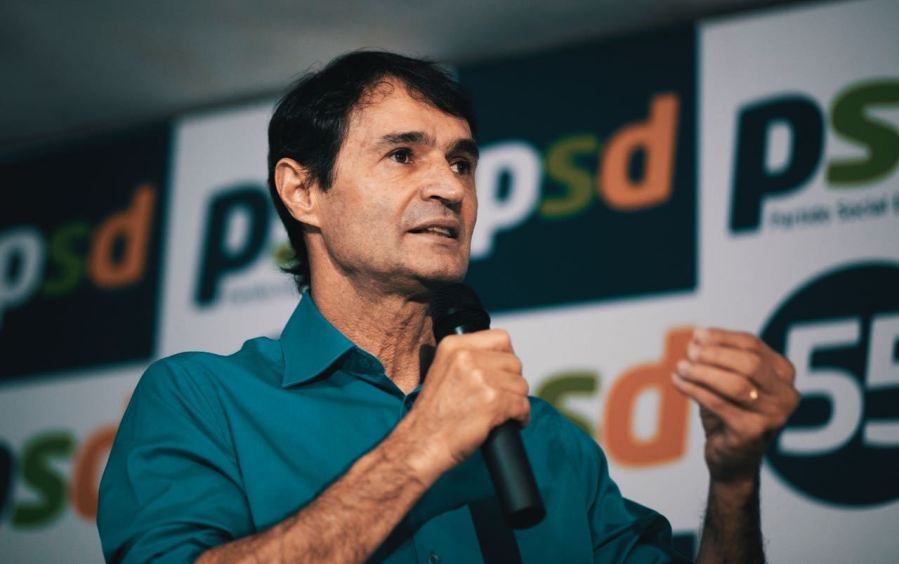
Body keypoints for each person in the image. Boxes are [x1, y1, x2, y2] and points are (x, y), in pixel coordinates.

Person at [98, 51, 799, 563]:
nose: (450, 187)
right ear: (303, 191)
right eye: (403, 155)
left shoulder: (548, 442)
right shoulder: (203, 399)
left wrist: (734, 482)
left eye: (461, 162)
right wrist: (421, 447)